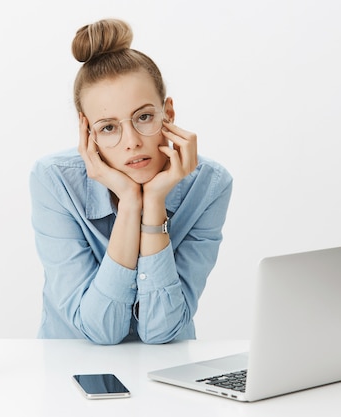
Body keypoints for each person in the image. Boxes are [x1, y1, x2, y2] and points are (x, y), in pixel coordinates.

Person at [29, 18, 232, 345]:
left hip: (165, 371)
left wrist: (154, 204)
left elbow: (162, 330)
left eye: (144, 117)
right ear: (88, 133)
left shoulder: (209, 184)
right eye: (109, 127)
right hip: (68, 369)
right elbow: (100, 331)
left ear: (169, 113)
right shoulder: (54, 181)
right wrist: (130, 203)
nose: (132, 141)